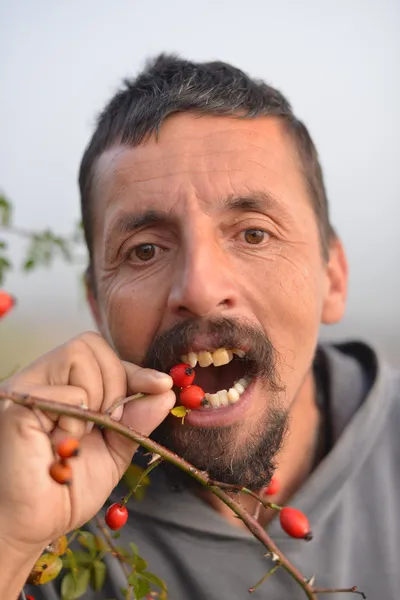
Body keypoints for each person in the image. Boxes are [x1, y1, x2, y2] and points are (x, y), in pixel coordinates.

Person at [1, 54, 399, 600]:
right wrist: (9, 535)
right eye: (144, 250)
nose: (199, 288)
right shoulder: (47, 512)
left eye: (254, 234)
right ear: (97, 306)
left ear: (332, 278)